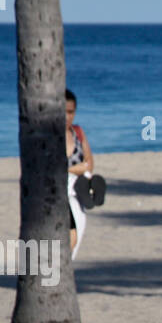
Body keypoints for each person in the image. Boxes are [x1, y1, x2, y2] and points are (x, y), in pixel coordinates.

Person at [65, 89, 96, 258]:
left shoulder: (77, 132)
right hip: (58, 194)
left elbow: (89, 164)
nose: (67, 117)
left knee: (75, 240)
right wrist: (78, 167)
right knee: (70, 238)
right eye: (63, 112)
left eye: (71, 112)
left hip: (77, 192)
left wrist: (67, 169)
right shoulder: (49, 137)